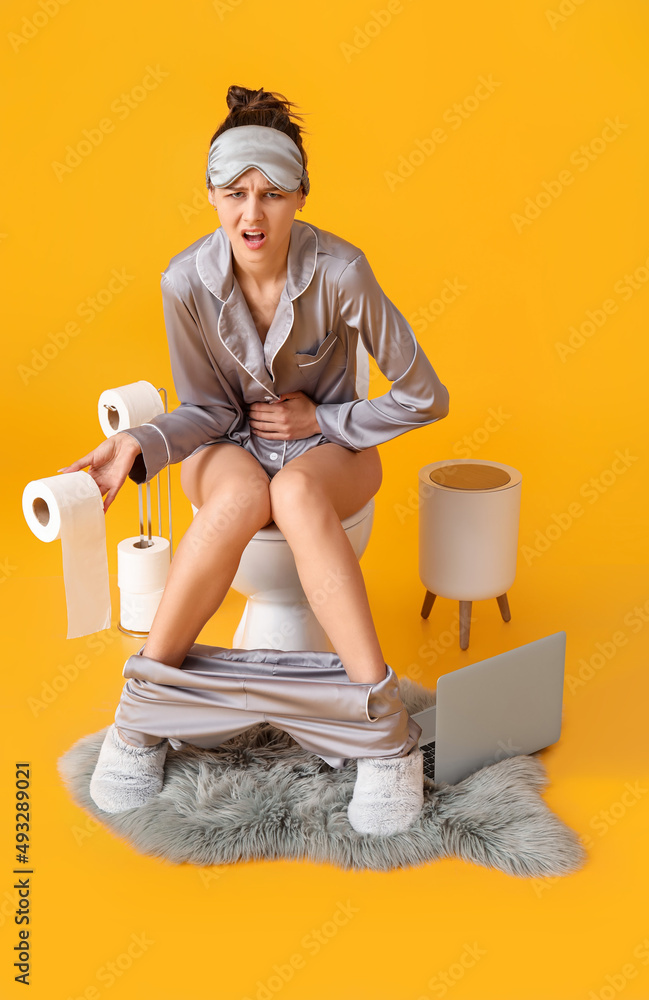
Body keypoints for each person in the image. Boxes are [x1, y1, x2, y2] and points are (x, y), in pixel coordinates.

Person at [58, 85, 450, 836]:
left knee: (297, 497)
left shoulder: (341, 271)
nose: (251, 214)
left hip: (330, 452)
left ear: (299, 196)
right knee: (240, 500)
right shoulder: (184, 283)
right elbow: (205, 408)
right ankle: (139, 716)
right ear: (208, 194)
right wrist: (138, 443)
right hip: (228, 443)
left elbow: (424, 395)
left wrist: (325, 416)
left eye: (271, 194)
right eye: (234, 192)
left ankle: (381, 732)